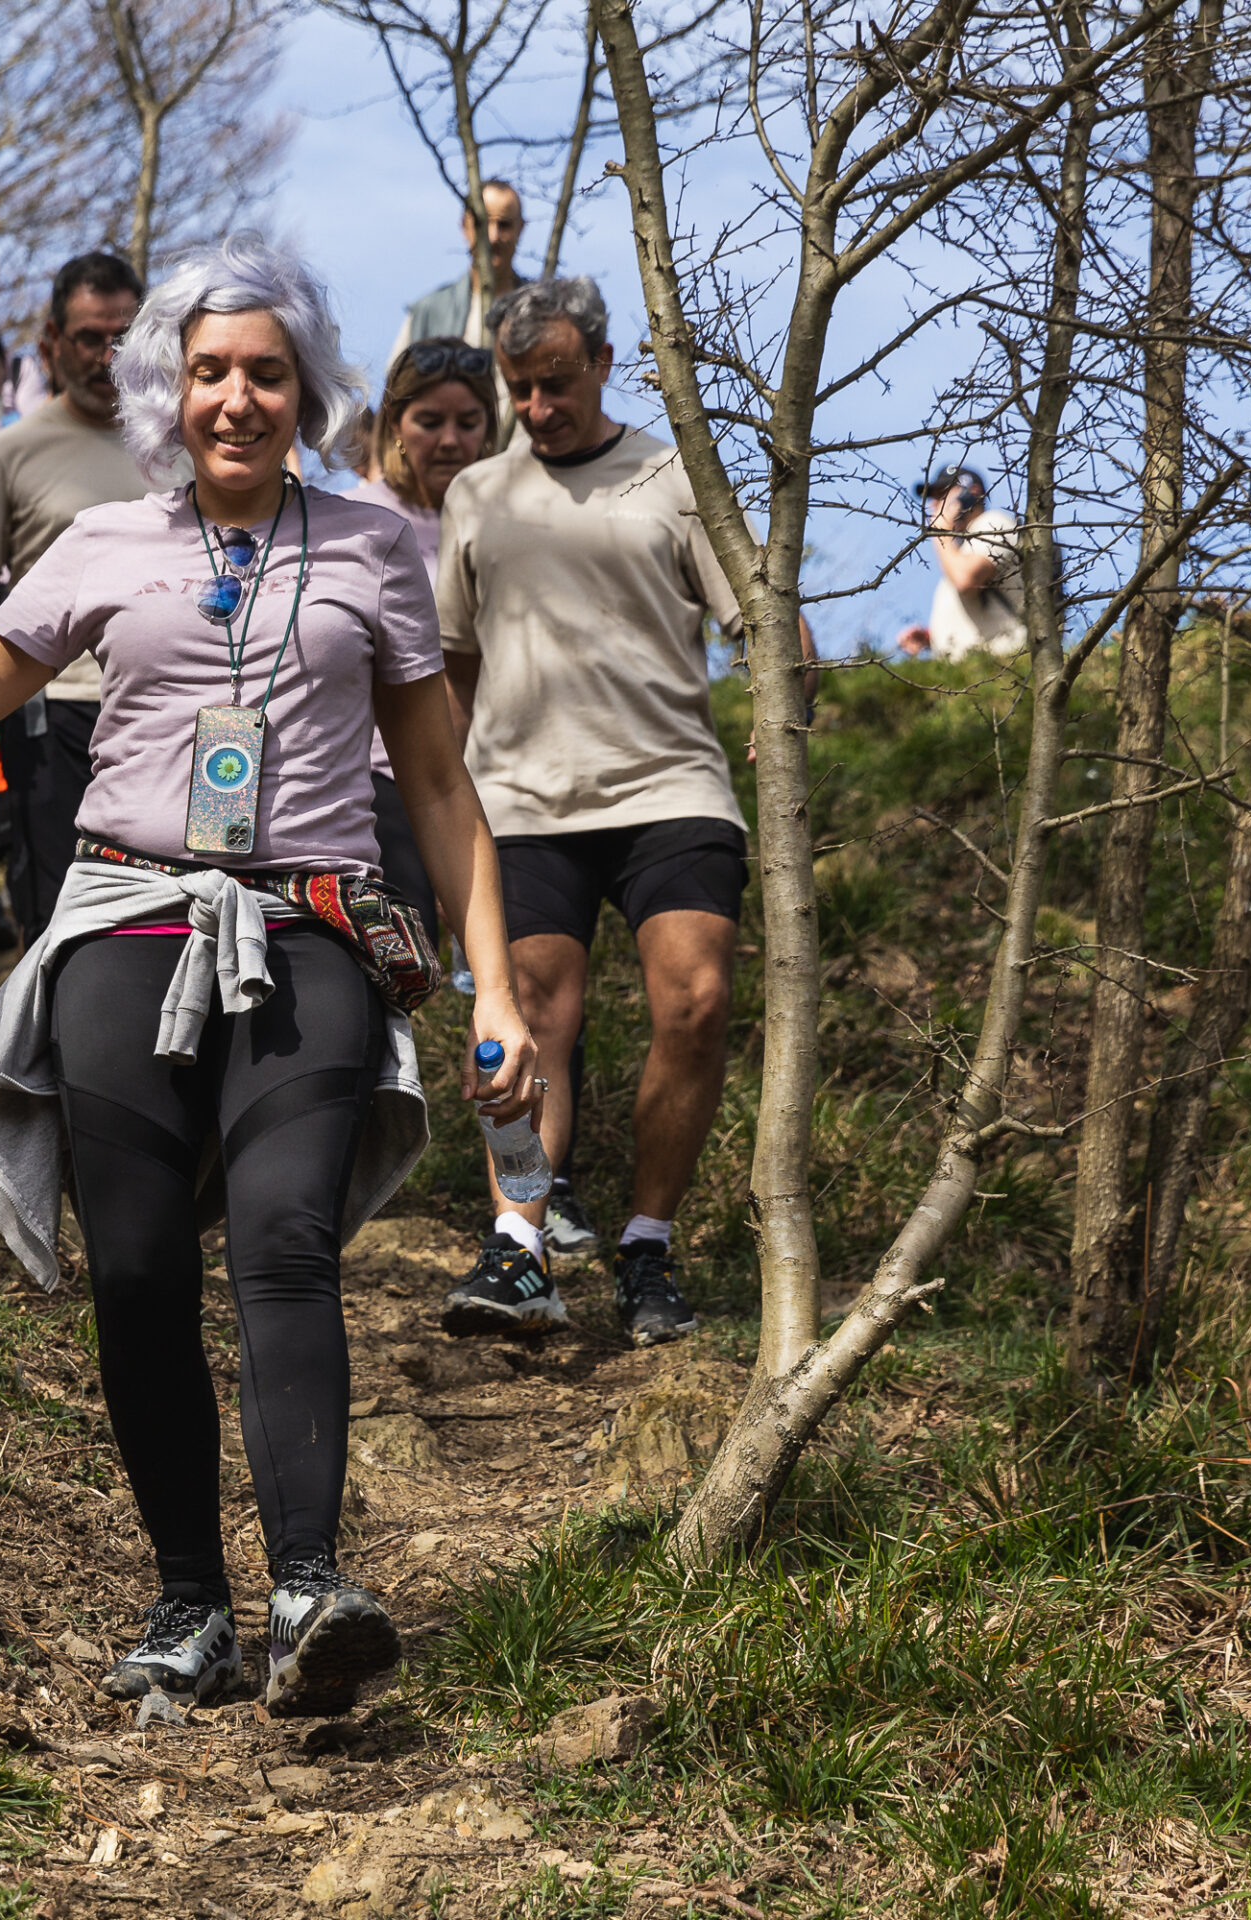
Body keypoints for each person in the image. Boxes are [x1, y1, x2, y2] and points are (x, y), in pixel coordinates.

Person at [0, 234, 537, 1717]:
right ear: (164, 391)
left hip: (308, 926)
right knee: (136, 1268)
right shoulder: (107, 543)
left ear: (308, 389)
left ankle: (308, 1588)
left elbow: (439, 788)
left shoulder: (377, 544)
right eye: (208, 374)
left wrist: (494, 988)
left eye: (266, 373)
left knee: (286, 1238)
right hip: (123, 922)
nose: (236, 400)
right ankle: (193, 1604)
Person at [435, 276, 810, 1348]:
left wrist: (781, 711)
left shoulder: (673, 475)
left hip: (669, 785)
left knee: (694, 1002)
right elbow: (449, 672)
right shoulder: (477, 496)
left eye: (556, 383)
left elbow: (764, 617)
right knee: (531, 1023)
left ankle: (647, 1244)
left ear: (601, 362)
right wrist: (440, 801)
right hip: (520, 796)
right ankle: (520, 1246)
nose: (540, 409)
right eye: (521, 390)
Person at [0, 250, 150, 933]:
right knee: (55, 902)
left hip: (174, 710)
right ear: (50, 344)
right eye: (89, 338)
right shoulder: (10, 451)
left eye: (121, 337)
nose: (106, 356)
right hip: (50, 703)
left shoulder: (186, 446)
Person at [347, 336, 500, 948]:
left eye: (468, 423)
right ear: (395, 424)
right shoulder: (356, 521)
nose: (449, 441)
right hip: (386, 780)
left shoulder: (508, 520)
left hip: (501, 772)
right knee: (403, 963)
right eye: (429, 421)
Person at [390, 180, 525, 357]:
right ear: (464, 226)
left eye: (504, 225)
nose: (493, 237)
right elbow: (397, 382)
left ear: (520, 228)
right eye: (482, 224)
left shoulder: (542, 312)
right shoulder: (428, 313)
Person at [921, 465, 1027, 656]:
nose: (934, 505)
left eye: (942, 495)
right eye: (933, 498)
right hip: (971, 670)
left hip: (1000, 666)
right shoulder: (960, 550)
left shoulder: (994, 524)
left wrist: (940, 533)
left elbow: (966, 580)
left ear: (971, 493)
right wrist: (932, 637)